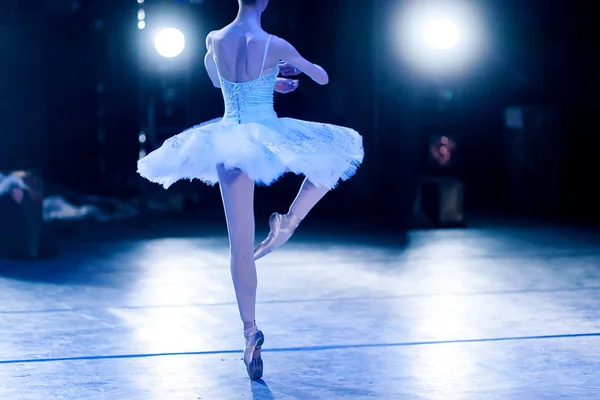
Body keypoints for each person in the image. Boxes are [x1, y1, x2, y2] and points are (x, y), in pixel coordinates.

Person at [137, 0, 364, 380]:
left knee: (239, 247)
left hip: (228, 139)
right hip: (266, 132)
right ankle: (289, 221)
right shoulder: (274, 43)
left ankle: (249, 333)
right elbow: (322, 77)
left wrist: (269, 79)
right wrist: (293, 67)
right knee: (338, 153)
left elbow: (218, 81)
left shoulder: (214, 38)